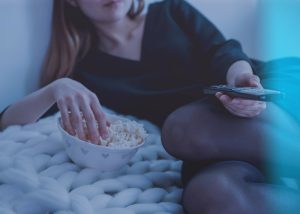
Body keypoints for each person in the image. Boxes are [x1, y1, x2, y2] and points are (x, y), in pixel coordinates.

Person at [0, 0, 299, 213]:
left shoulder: (170, 11)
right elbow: (7, 122)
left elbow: (223, 52)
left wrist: (243, 83)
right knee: (210, 196)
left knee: (181, 127)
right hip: (209, 143)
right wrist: (56, 87)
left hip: (262, 94)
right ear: (73, 2)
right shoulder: (87, 72)